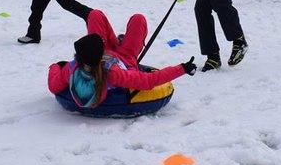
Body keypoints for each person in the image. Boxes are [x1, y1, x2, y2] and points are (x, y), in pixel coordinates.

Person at [47, 10, 195, 108]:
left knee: (95, 15)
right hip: (125, 57)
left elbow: (54, 86)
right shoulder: (113, 73)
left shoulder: (72, 68)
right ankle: (122, 42)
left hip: (106, 53)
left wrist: (55, 66)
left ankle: (118, 41)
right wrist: (182, 68)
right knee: (138, 19)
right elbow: (149, 81)